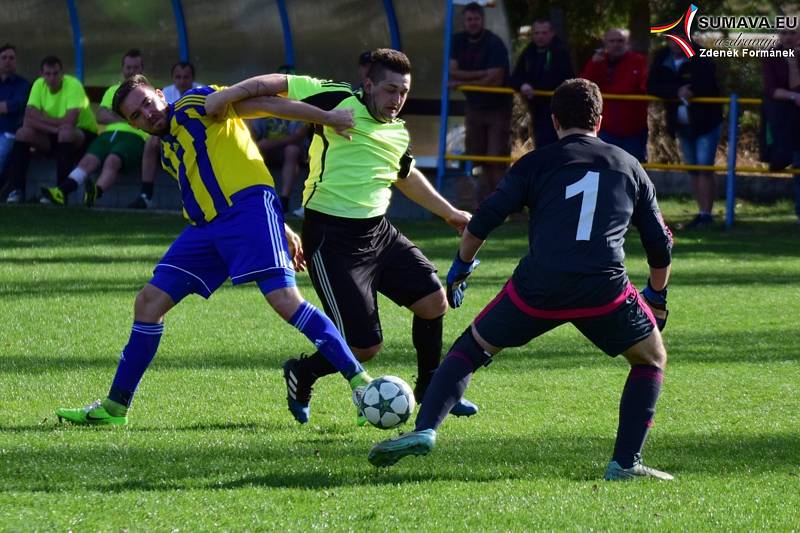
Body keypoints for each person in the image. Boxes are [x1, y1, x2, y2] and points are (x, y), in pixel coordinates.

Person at [368, 78, 675, 482]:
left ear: (554, 120)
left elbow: (483, 221)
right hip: (604, 289)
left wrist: (461, 266)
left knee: (471, 348)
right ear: (599, 120)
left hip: (538, 288)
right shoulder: (629, 165)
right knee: (651, 359)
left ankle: (425, 429)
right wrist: (656, 293)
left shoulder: (533, 163)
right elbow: (659, 243)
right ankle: (624, 463)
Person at [55, 74, 373, 426]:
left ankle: (361, 385)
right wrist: (279, 225)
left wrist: (326, 117)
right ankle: (115, 409)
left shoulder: (195, 103)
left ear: (161, 95)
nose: (146, 114)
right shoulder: (166, 151)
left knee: (285, 301)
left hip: (248, 211)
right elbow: (224, 170)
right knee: (148, 303)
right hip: (205, 229)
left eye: (147, 103)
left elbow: (263, 104)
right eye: (135, 115)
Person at [205, 48, 478, 425]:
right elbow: (276, 84)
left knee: (434, 301)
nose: (397, 99)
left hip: (378, 233)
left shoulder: (397, 131)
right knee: (365, 347)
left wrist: (449, 213)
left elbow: (405, 175)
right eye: (389, 89)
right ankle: (303, 372)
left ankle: (429, 391)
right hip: (332, 238)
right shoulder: (335, 98)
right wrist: (228, 95)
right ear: (368, 85)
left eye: (403, 91)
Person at [40, 49, 149, 206]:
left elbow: (146, 118)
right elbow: (101, 115)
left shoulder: (148, 93)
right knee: (88, 160)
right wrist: (129, 117)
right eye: (128, 67)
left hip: (134, 137)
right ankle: (61, 192)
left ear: (141, 69)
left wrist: (120, 117)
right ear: (123, 69)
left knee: (113, 160)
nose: (132, 71)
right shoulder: (113, 90)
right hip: (108, 134)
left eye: (136, 67)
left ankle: (95, 191)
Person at [648, 40, 723, 229]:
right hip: (681, 124)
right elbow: (653, 85)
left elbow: (707, 84)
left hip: (706, 123)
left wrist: (689, 90)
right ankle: (701, 212)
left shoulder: (702, 56)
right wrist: (676, 90)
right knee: (693, 169)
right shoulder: (661, 57)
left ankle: (706, 214)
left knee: (704, 166)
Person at [3, 55, 97, 203]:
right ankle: (16, 190)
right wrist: (54, 128)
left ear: (62, 74)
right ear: (42, 75)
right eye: (48, 74)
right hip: (53, 134)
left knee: (65, 133)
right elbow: (28, 119)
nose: (52, 78)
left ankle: (60, 193)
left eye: (56, 73)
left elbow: (70, 122)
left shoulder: (73, 85)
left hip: (82, 134)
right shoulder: (38, 85)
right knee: (22, 133)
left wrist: (41, 119)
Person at [449, 2, 512, 201]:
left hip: (497, 107)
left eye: (476, 19)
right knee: (477, 156)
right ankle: (484, 202)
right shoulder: (457, 41)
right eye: (469, 19)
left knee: (495, 157)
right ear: (464, 21)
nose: (473, 23)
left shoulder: (494, 42)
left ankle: (506, 202)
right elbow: (452, 71)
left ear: (482, 20)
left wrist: (463, 80)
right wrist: (482, 74)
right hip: (474, 107)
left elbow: (496, 78)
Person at [129, 61, 202, 209]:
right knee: (151, 143)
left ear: (192, 78)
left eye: (186, 77)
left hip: (195, 138)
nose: (182, 81)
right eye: (178, 77)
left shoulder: (201, 90)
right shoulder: (167, 92)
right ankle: (146, 194)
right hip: (168, 139)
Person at [579, 28, 649, 162]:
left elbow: (635, 86)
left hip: (634, 129)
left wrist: (608, 90)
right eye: (612, 41)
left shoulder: (638, 61)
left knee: (635, 168)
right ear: (605, 42)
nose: (616, 44)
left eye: (620, 41)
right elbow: (584, 86)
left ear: (627, 43)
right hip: (606, 128)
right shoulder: (597, 62)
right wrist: (594, 65)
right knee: (605, 167)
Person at [248, 65, 309, 213]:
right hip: (267, 149)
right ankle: (251, 198)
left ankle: (284, 200)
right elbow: (252, 135)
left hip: (293, 150)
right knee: (250, 150)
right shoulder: (265, 103)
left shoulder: (303, 104)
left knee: (291, 150)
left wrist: (270, 143)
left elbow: (298, 136)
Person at [510, 19, 574, 148]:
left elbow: (563, 78)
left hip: (557, 109)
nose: (540, 36)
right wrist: (523, 85)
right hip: (537, 109)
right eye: (537, 33)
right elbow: (515, 77)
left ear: (551, 33)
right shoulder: (529, 52)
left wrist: (535, 88)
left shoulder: (560, 52)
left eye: (544, 33)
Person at [761, 29, 800, 223]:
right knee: (792, 163)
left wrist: (793, 63)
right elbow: (770, 89)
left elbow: (796, 87)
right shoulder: (771, 55)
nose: (787, 37)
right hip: (783, 122)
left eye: (792, 33)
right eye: (783, 32)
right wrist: (794, 97)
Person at [0, 43, 30, 185]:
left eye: (11, 58)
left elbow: (15, 106)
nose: (8, 61)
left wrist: (6, 106)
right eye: (4, 57)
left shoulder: (23, 85)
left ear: (16, 62)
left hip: (9, 133)